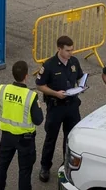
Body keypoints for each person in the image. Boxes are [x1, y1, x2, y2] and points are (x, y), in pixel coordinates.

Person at [35, 35, 84, 183]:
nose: (71, 53)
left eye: (72, 49)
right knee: (51, 138)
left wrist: (82, 86)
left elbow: (80, 77)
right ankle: (45, 167)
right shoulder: (49, 65)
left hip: (72, 106)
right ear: (59, 49)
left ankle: (66, 165)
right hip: (56, 107)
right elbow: (40, 85)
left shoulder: (74, 62)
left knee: (70, 138)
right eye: (68, 50)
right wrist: (56, 94)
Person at [0, 60, 44, 190]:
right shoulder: (31, 96)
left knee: (2, 165)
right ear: (26, 76)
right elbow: (38, 120)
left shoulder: (2, 89)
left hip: (6, 136)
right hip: (25, 140)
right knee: (24, 171)